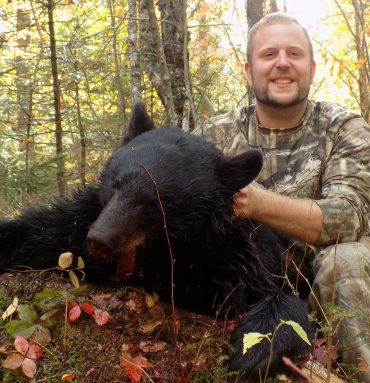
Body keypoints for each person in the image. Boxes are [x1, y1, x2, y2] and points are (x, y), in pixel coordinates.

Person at [195, 12, 370, 382]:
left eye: (294, 53)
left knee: (347, 258)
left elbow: (347, 218)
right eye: (269, 54)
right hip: (253, 286)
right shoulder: (213, 136)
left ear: (312, 66)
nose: (282, 63)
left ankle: (357, 372)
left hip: (329, 287)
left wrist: (256, 203)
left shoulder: (345, 128)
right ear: (248, 70)